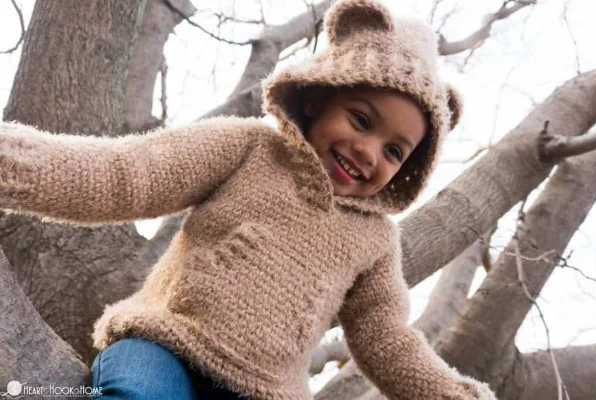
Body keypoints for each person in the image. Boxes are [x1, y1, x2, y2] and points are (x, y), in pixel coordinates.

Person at [0, 0, 497, 399]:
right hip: (165, 345)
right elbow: (127, 174)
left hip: (268, 390)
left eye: (394, 151)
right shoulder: (248, 149)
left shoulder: (374, 241)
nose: (369, 153)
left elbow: (385, 338)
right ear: (316, 98)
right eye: (361, 121)